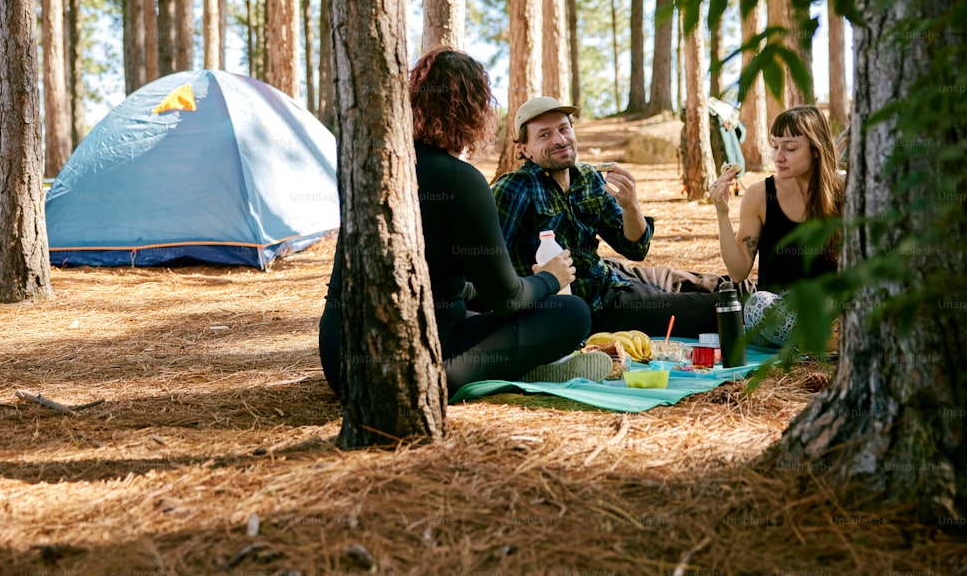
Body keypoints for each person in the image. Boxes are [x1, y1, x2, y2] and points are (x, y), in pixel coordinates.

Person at [318, 50, 611, 400]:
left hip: (340, 363)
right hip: (417, 367)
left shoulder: (374, 167)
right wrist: (552, 277)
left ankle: (522, 364)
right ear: (475, 110)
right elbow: (509, 299)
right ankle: (528, 366)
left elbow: (436, 278)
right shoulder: (460, 180)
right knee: (572, 313)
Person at [492, 97, 733, 339]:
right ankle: (755, 313)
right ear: (525, 149)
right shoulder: (514, 189)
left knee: (720, 284)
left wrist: (630, 206)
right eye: (544, 135)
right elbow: (487, 269)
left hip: (611, 274)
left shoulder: (587, 177)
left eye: (564, 129)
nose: (560, 139)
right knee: (714, 309)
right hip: (592, 306)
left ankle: (762, 297)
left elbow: (634, 247)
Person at [711, 105, 844, 347]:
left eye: (790, 148)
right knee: (758, 305)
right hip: (778, 313)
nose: (778, 156)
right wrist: (722, 213)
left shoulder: (844, 189)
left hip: (832, 312)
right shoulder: (759, 195)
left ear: (816, 150)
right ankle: (820, 341)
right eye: (775, 146)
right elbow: (738, 271)